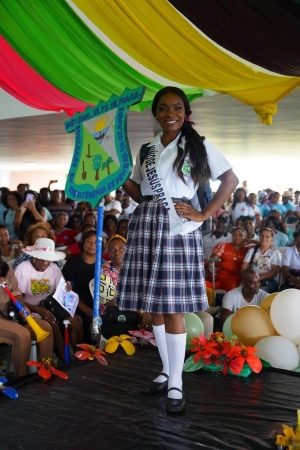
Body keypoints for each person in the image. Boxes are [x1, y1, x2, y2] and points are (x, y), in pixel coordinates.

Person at [115, 86, 238, 413]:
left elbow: (230, 181)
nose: (171, 113)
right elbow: (139, 192)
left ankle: (176, 384)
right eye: (164, 108)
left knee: (171, 308)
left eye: (178, 108)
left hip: (178, 226)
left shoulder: (198, 145)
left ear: (186, 113)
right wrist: (114, 175)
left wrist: (203, 213)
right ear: (155, 113)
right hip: (147, 222)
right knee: (153, 306)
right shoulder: (148, 149)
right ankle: (167, 370)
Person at [15, 238, 83, 362]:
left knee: (75, 320)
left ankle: (80, 358)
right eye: (41, 258)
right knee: (52, 324)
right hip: (30, 311)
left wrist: (67, 287)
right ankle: (66, 362)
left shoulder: (54, 269)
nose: (45, 262)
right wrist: (38, 310)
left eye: (48, 259)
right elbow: (18, 299)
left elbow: (61, 291)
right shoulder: (23, 269)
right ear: (34, 257)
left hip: (51, 308)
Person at [0, 249, 53, 378]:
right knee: (22, 335)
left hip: (10, 313)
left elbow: (16, 291)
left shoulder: (5, 268)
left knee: (45, 328)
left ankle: (46, 371)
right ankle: (21, 379)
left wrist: (22, 306)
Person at [100, 234, 152, 339]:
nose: (117, 252)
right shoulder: (104, 272)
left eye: (121, 248)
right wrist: (140, 311)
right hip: (114, 317)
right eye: (112, 249)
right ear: (108, 253)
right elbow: (109, 300)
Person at [62, 230, 97, 343]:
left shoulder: (105, 265)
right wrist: (87, 310)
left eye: (96, 242)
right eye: (89, 241)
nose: (92, 244)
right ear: (83, 244)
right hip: (77, 306)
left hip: (99, 307)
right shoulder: (72, 264)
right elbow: (68, 292)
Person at [206, 227, 249, 292]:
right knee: (201, 286)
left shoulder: (248, 250)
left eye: (240, 235)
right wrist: (211, 266)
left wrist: (250, 241)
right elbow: (212, 260)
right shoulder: (223, 245)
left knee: (232, 292)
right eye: (234, 234)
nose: (237, 237)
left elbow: (261, 245)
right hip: (217, 277)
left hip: (234, 279)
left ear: (245, 237)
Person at [241, 227, 281, 293]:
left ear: (272, 240)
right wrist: (247, 277)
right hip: (251, 279)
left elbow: (274, 272)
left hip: (268, 280)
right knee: (241, 290)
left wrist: (257, 278)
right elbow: (243, 267)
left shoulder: (275, 253)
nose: (264, 238)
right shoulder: (252, 250)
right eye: (262, 236)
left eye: (267, 237)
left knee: (259, 292)